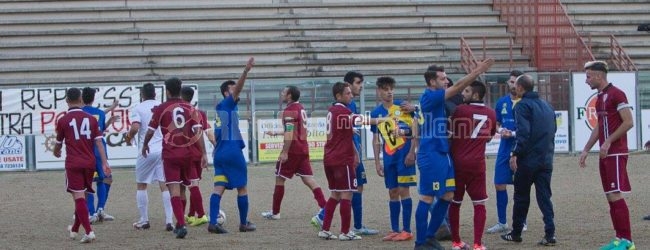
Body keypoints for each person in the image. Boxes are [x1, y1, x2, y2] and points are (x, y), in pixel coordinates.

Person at [413, 59, 493, 250]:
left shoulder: (435, 99)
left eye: (446, 78)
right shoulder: (431, 96)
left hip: (442, 153)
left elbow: (430, 122)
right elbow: (458, 87)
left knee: (448, 195)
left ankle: (430, 236)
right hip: (431, 154)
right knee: (427, 197)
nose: (446, 81)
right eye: (442, 78)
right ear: (432, 82)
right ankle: (421, 242)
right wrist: (477, 71)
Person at [578, 61, 636, 250]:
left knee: (615, 194)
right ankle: (619, 238)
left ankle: (628, 242)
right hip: (606, 153)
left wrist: (609, 140)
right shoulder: (599, 96)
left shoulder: (617, 94)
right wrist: (586, 149)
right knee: (610, 196)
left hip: (616, 152)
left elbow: (628, 122)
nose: (586, 81)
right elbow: (598, 126)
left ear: (598, 76)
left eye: (588, 76)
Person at [142, 77, 206, 239]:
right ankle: (197, 216)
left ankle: (182, 224)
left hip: (171, 155)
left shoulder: (161, 108)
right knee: (192, 184)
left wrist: (145, 144)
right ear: (180, 89)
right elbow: (198, 133)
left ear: (167, 91)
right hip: (188, 154)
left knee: (175, 190)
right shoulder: (190, 108)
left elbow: (150, 130)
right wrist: (204, 153)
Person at [500, 74, 557, 246]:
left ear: (520, 88)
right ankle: (550, 233)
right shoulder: (547, 105)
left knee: (521, 197)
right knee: (544, 197)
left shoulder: (522, 105)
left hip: (528, 160)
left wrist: (515, 153)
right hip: (546, 158)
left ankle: (516, 232)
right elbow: (553, 129)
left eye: (515, 86)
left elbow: (523, 133)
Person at [260, 85, 327, 221]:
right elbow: (297, 130)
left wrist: (285, 152)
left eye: (284, 92)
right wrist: (277, 133)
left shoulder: (289, 111)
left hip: (292, 150)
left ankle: (275, 212)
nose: (282, 93)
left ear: (289, 95)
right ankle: (325, 207)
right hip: (303, 148)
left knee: (279, 178)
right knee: (308, 179)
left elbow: (290, 132)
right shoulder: (300, 108)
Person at [54, 87, 111, 243]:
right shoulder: (92, 119)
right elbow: (99, 142)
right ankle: (74, 229)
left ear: (66, 101)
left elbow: (58, 144)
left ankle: (89, 231)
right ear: (80, 100)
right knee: (83, 196)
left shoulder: (63, 120)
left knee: (78, 196)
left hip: (73, 163)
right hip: (90, 163)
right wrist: (105, 163)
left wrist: (56, 152)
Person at [208, 57, 256, 234]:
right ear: (227, 93)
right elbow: (238, 88)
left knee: (218, 187)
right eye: (233, 89)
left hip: (220, 153)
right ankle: (244, 223)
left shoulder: (223, 108)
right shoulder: (227, 103)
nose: (237, 90)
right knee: (242, 187)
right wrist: (246, 71)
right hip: (232, 152)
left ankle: (213, 222)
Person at [448, 81, 497, 250]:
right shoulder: (491, 113)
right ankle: (477, 244)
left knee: (455, 203)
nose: (463, 93)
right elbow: (490, 137)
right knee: (479, 204)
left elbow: (450, 131)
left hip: (458, 163)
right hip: (477, 164)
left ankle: (456, 242)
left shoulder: (460, 110)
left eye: (466, 91)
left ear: (475, 95)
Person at [370, 76, 418, 242]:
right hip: (389, 158)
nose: (389, 92)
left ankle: (407, 230)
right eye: (385, 89)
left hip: (405, 157)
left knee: (404, 190)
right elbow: (376, 139)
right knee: (392, 192)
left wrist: (412, 152)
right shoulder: (376, 113)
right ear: (379, 91)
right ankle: (394, 229)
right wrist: (377, 162)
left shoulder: (403, 107)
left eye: (391, 88)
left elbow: (416, 130)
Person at [124, 83, 175, 231]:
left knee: (141, 184)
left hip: (146, 150)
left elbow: (135, 127)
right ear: (155, 94)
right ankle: (169, 221)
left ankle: (144, 220)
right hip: (163, 150)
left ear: (142, 94)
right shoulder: (163, 106)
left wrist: (128, 137)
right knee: (164, 185)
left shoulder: (138, 108)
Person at [317, 81, 362, 241]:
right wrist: (383, 119)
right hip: (341, 159)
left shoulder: (332, 111)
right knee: (347, 193)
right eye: (348, 93)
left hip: (329, 158)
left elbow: (345, 134)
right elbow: (361, 120)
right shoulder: (342, 111)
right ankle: (345, 232)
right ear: (339, 96)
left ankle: (325, 229)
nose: (351, 95)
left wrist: (355, 153)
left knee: (335, 194)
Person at [487, 70, 527, 234]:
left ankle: (521, 221)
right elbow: (496, 123)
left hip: (521, 148)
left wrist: (514, 134)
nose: (513, 85)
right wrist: (501, 129)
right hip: (504, 148)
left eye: (516, 82)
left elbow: (529, 128)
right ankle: (502, 222)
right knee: (499, 183)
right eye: (511, 82)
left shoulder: (526, 103)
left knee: (521, 186)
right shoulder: (502, 102)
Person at [81, 87, 118, 223]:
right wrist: (109, 119)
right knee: (105, 179)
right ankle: (100, 209)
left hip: (85, 150)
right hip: (99, 150)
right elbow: (100, 131)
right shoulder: (99, 113)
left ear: (81, 98)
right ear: (93, 98)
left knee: (87, 181)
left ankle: (91, 212)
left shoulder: (79, 113)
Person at [180, 86, 209, 227]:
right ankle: (191, 215)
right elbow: (206, 132)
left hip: (187, 153)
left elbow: (197, 132)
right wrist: (205, 152)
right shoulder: (199, 112)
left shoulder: (179, 112)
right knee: (194, 183)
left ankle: (201, 214)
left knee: (187, 186)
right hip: (197, 153)